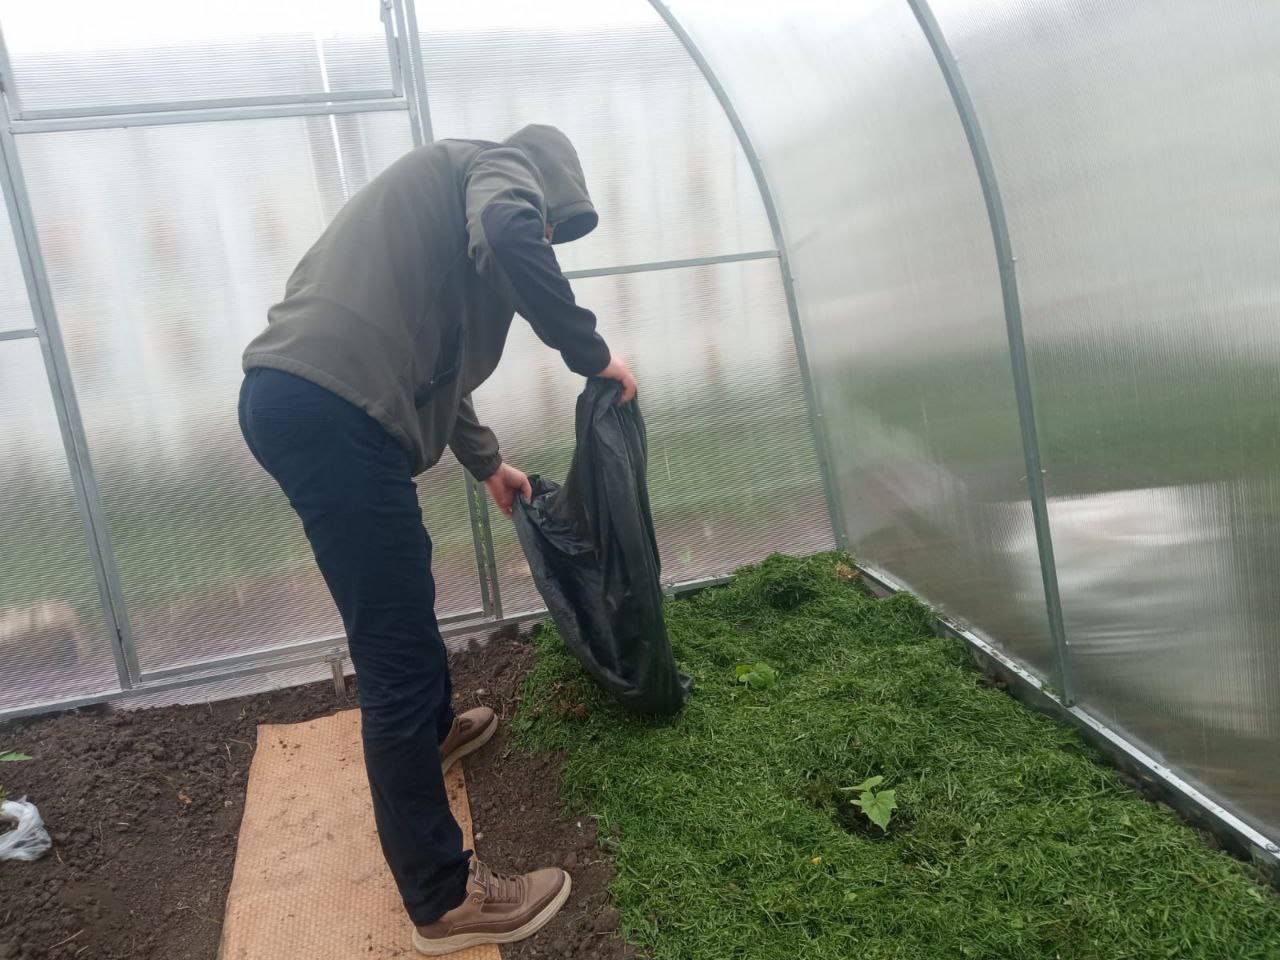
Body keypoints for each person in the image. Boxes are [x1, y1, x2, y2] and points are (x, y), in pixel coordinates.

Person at [237, 124, 638, 956]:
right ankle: (444, 899)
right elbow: (508, 228)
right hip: (331, 411)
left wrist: (489, 465)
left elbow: (434, 369)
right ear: (543, 180)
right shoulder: (494, 165)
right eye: (550, 222)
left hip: (313, 401)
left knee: (401, 599)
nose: (545, 236)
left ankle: (429, 739)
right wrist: (591, 354)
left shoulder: (438, 220)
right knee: (393, 650)